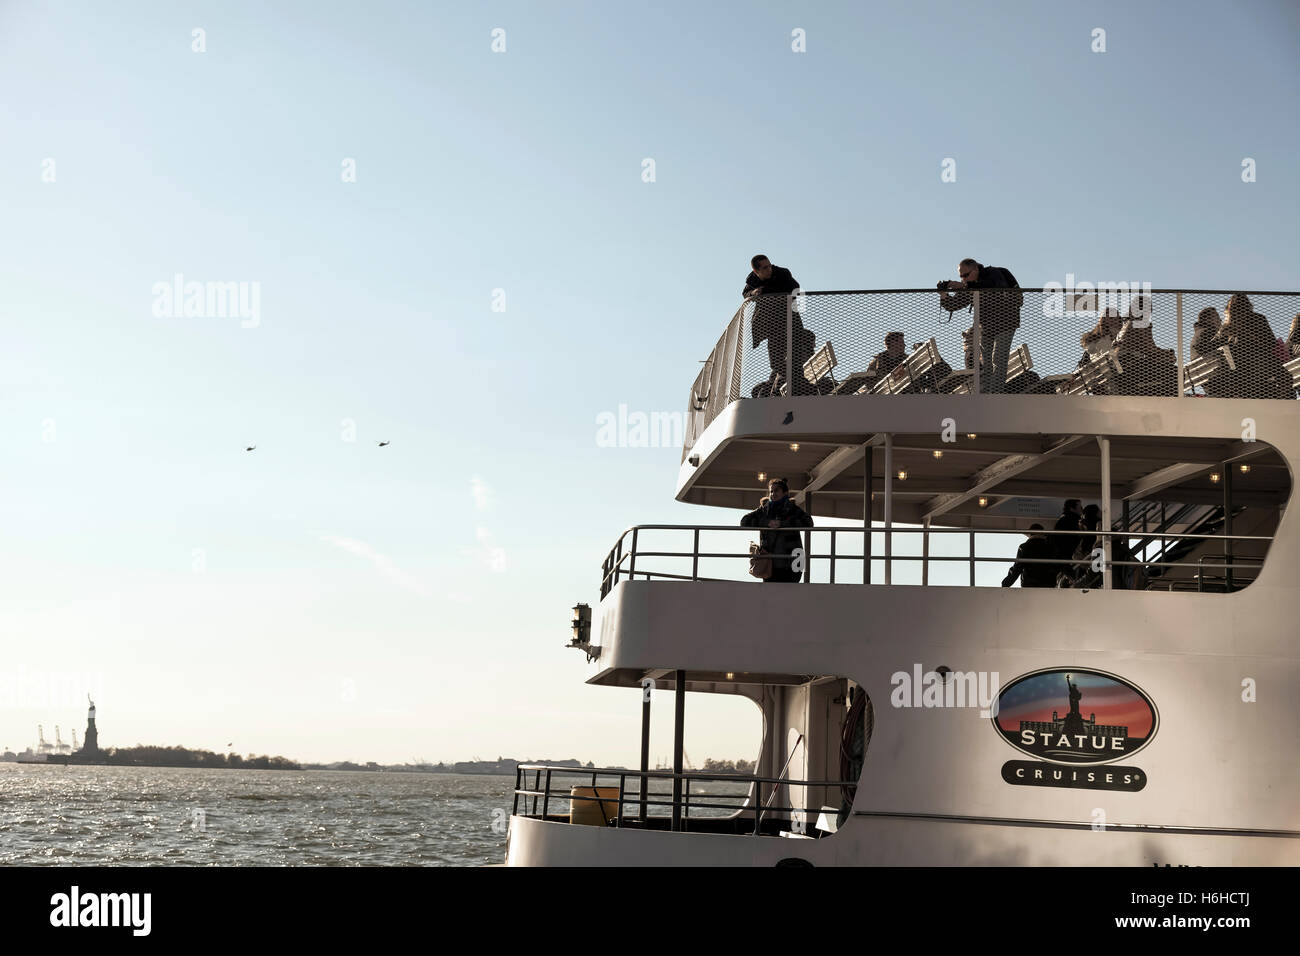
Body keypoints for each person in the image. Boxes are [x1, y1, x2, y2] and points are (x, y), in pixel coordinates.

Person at [937, 258, 1022, 393]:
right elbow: (954, 305)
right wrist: (943, 294)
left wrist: (964, 286)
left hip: (1006, 322)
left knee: (999, 359)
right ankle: (987, 394)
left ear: (976, 269)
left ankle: (995, 395)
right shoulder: (969, 285)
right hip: (986, 328)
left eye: (966, 275)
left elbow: (995, 286)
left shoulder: (992, 273)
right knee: (986, 365)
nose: (964, 279)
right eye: (961, 276)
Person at [744, 255, 815, 397]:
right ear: (756, 271)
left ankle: (799, 385)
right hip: (772, 325)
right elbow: (745, 293)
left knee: (794, 355)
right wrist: (754, 292)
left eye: (769, 265)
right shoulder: (753, 280)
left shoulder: (782, 273)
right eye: (765, 268)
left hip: (790, 320)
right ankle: (795, 380)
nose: (769, 269)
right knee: (775, 362)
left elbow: (796, 288)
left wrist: (780, 298)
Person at [1210, 293, 1289, 399]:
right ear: (1248, 305)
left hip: (1236, 373)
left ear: (1229, 310)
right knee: (1285, 376)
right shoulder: (1258, 319)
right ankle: (1281, 400)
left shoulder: (1226, 327)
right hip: (1260, 366)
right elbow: (1271, 344)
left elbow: (1211, 346)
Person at [739, 477, 814, 583]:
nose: (773, 494)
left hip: (792, 562)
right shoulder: (764, 509)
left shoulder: (792, 509)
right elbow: (744, 521)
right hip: (769, 563)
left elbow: (809, 523)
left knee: (788, 595)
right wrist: (766, 523)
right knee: (771, 597)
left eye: (776, 490)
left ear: (785, 493)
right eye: (771, 491)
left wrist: (783, 524)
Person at [1052, 499, 1084, 585]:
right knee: (1076, 580)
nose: (1082, 509)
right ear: (1072, 508)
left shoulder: (1064, 520)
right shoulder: (1071, 520)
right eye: (1079, 507)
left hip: (1063, 558)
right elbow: (1072, 541)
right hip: (1067, 558)